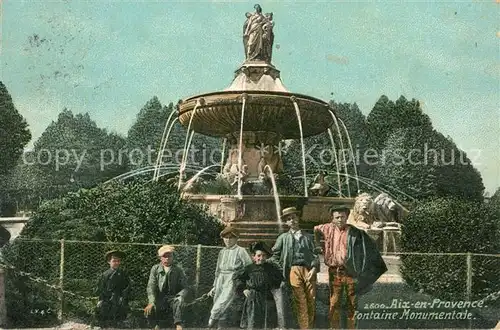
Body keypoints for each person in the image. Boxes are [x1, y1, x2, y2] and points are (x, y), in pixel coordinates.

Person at [314, 205, 387, 329]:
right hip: (334, 272)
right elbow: (315, 229)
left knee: (352, 302)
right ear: (332, 218)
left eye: (343, 217)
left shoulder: (354, 232)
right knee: (334, 302)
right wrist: (318, 245)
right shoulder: (326, 228)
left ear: (347, 217)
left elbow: (367, 248)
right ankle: (334, 327)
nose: (340, 219)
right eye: (337, 217)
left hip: (350, 272)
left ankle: (351, 327)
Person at [269, 207, 320, 329]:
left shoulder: (308, 237)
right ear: (286, 223)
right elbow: (274, 256)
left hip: (308, 270)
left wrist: (314, 269)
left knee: (311, 300)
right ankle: (304, 327)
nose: (292, 220)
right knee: (300, 300)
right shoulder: (283, 238)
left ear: (298, 219)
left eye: (294, 218)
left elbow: (315, 255)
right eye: (289, 219)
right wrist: (280, 269)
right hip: (293, 270)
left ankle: (309, 326)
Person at [208, 226, 253, 328]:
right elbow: (217, 270)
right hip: (220, 278)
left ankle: (210, 324)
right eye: (226, 238)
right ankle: (220, 326)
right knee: (217, 300)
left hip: (232, 278)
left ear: (236, 239)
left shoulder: (240, 250)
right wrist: (214, 286)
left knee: (222, 302)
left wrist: (245, 284)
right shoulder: (222, 252)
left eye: (231, 238)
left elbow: (249, 267)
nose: (228, 240)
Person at [233, 241, 283, 330]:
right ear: (254, 257)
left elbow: (279, 279)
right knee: (253, 321)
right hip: (253, 297)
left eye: (264, 255)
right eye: (259, 255)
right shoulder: (249, 268)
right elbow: (238, 279)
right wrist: (244, 289)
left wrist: (275, 286)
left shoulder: (270, 268)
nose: (261, 258)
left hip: (267, 297)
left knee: (267, 322)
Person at [144, 245, 190, 330]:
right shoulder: (155, 269)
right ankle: (155, 325)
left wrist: (180, 296)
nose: (167, 259)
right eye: (164, 256)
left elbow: (185, 287)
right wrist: (151, 301)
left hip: (172, 297)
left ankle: (178, 325)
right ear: (160, 258)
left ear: (173, 257)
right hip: (159, 297)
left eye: (169, 256)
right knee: (151, 307)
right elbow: (151, 286)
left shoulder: (178, 270)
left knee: (179, 302)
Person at [95, 250, 130, 328]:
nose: (117, 263)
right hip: (107, 300)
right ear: (109, 262)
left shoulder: (123, 274)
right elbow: (100, 288)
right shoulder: (105, 275)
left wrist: (123, 297)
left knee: (120, 318)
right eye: (114, 261)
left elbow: (127, 287)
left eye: (118, 261)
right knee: (105, 317)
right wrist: (101, 299)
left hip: (119, 299)